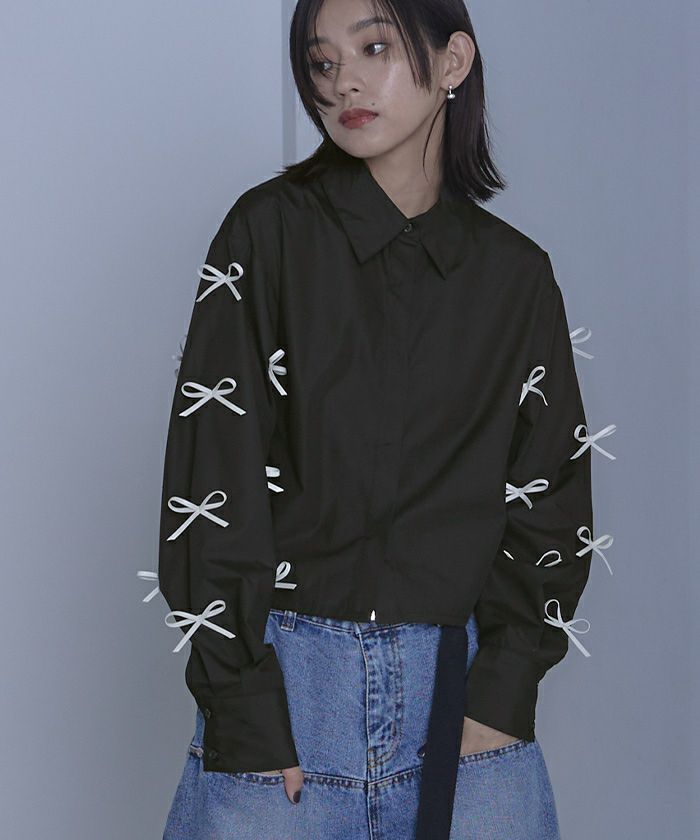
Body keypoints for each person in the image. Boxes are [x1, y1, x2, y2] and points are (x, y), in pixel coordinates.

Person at [157, 1, 595, 838]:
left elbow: (552, 494)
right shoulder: (264, 235)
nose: (344, 83)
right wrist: (242, 701)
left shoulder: (517, 277)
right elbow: (212, 473)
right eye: (322, 62)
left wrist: (501, 693)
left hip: (463, 705)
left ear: (454, 62)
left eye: (375, 48)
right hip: (285, 698)